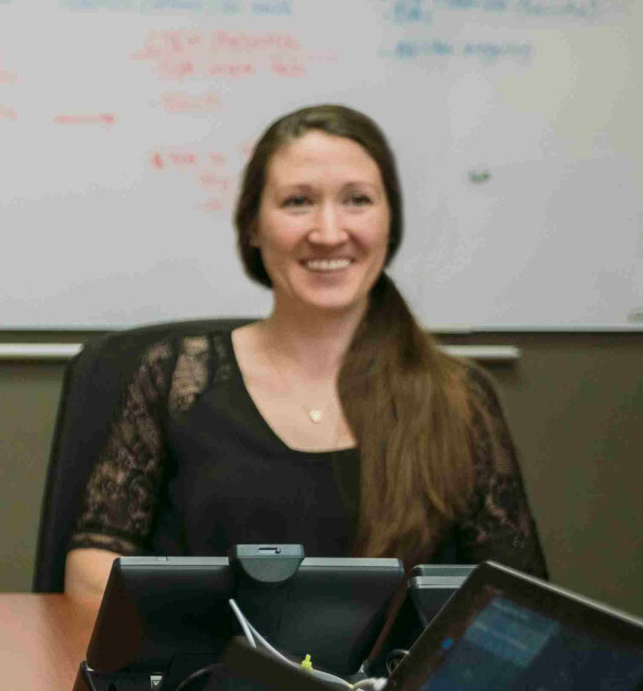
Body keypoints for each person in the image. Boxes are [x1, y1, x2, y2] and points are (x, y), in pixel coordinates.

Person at [63, 104, 547, 602]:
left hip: (391, 681)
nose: (329, 232)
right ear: (253, 226)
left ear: (389, 222)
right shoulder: (175, 377)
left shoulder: (457, 398)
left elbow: (518, 604)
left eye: (357, 200)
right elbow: (92, 570)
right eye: (298, 202)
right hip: (211, 676)